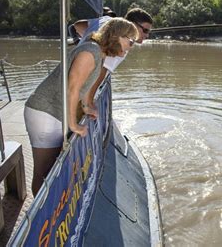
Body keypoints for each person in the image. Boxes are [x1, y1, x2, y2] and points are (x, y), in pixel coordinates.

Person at [24, 18, 138, 195]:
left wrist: (86, 106)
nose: (132, 46)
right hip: (45, 112)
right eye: (130, 41)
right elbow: (72, 89)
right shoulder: (90, 51)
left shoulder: (99, 53)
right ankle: (45, 219)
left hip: (55, 113)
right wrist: (74, 125)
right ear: (117, 36)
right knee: (44, 171)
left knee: (53, 168)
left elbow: (84, 87)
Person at [73, 8, 153, 111]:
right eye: (145, 30)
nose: (147, 35)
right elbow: (100, 71)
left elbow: (78, 25)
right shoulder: (119, 42)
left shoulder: (106, 20)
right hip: (78, 92)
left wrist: (89, 38)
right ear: (132, 24)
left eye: (149, 32)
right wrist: (88, 103)